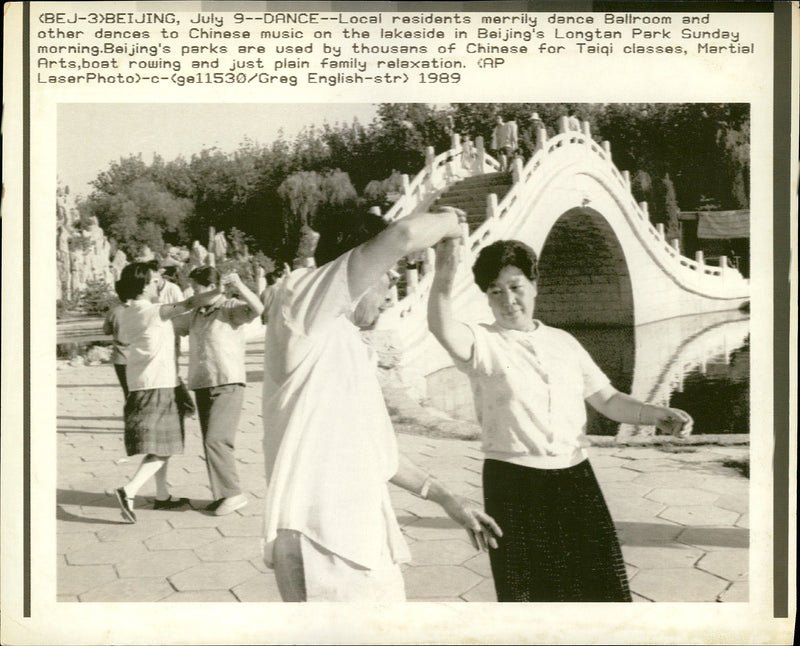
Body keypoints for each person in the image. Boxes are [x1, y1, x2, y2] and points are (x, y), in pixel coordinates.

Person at [427, 238, 693, 602]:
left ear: (535, 286)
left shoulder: (563, 342)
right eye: (495, 291)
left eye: (516, 287)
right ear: (486, 297)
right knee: (530, 598)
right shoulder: (483, 343)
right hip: (513, 482)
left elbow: (609, 400)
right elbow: (442, 327)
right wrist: (445, 269)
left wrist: (656, 414)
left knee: (602, 591)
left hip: (575, 477)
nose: (508, 300)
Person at [261, 207, 502, 602]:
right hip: (323, 543)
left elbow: (379, 454)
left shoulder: (343, 341)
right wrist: (451, 222)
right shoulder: (300, 304)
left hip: (356, 541)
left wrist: (445, 497)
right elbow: (403, 236)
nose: (391, 283)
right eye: (386, 272)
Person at [113, 262, 223, 523]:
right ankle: (129, 490)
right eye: (153, 282)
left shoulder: (128, 311)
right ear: (142, 286)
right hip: (158, 384)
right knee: (166, 446)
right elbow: (190, 302)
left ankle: (162, 496)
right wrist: (221, 288)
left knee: (161, 443)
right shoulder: (152, 311)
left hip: (145, 382)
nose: (158, 286)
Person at [173, 267, 263, 516]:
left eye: (197, 288)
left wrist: (239, 285)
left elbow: (257, 310)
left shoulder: (229, 308)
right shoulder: (195, 314)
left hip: (227, 381)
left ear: (210, 286)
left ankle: (234, 494)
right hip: (202, 382)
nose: (194, 292)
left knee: (217, 440)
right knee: (210, 441)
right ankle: (222, 494)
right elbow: (169, 325)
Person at [103, 283, 130, 400]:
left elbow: (107, 331)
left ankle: (130, 414)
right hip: (140, 355)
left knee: (126, 389)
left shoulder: (113, 312)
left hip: (120, 356)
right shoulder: (141, 311)